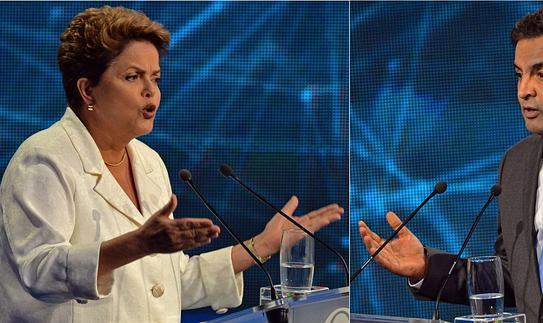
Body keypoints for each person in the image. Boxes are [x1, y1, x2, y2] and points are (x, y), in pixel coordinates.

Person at [0, 6, 344, 323]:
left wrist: (262, 246)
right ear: (88, 90)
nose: (151, 92)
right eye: (133, 77)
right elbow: (39, 272)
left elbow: (169, 282)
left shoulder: (149, 163)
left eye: (156, 77)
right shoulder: (44, 159)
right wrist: (138, 244)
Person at [359, 5, 543, 323]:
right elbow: (517, 279)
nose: (524, 90)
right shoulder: (517, 165)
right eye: (519, 74)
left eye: (541, 74)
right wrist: (426, 267)